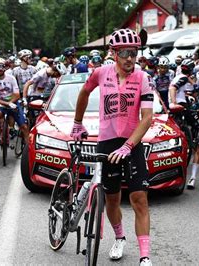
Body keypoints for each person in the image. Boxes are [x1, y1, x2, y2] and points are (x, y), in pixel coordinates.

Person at [71, 29, 154, 266]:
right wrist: (77, 123)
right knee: (113, 199)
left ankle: (145, 257)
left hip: (132, 143)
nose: (130, 58)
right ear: (114, 53)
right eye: (125, 53)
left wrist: (129, 145)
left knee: (139, 198)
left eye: (134, 53)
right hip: (107, 143)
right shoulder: (100, 73)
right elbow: (84, 93)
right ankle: (119, 237)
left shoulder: (143, 78)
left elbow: (147, 117)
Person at [0, 58, 29, 145]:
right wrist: (7, 104)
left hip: (14, 102)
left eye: (1, 66)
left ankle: (28, 149)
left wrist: (11, 103)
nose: (0, 69)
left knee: (24, 127)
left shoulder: (11, 78)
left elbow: (17, 95)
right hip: (1, 103)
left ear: (5, 68)